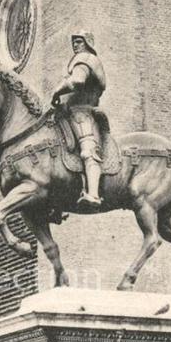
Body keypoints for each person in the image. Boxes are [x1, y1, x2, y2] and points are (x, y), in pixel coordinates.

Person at [51, 31, 106, 211]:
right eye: (74, 42)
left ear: (87, 44)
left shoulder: (85, 59)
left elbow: (78, 81)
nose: (75, 45)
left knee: (88, 149)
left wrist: (57, 91)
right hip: (69, 114)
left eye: (79, 42)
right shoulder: (79, 59)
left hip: (83, 113)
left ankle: (93, 194)